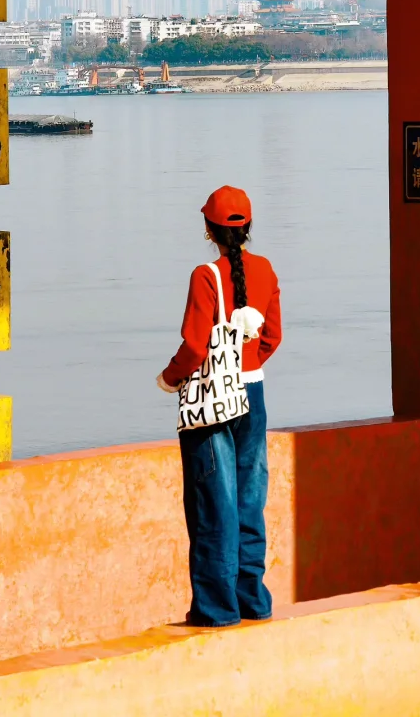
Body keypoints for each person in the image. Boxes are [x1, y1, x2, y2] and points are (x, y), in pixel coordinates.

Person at [157, 184, 282, 627]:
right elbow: (272, 337)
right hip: (254, 394)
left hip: (213, 400)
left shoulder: (205, 276)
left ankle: (216, 609)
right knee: (250, 499)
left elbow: (195, 347)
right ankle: (253, 600)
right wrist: (247, 363)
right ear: (249, 227)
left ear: (209, 230)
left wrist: (169, 378)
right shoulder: (265, 269)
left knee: (214, 502)